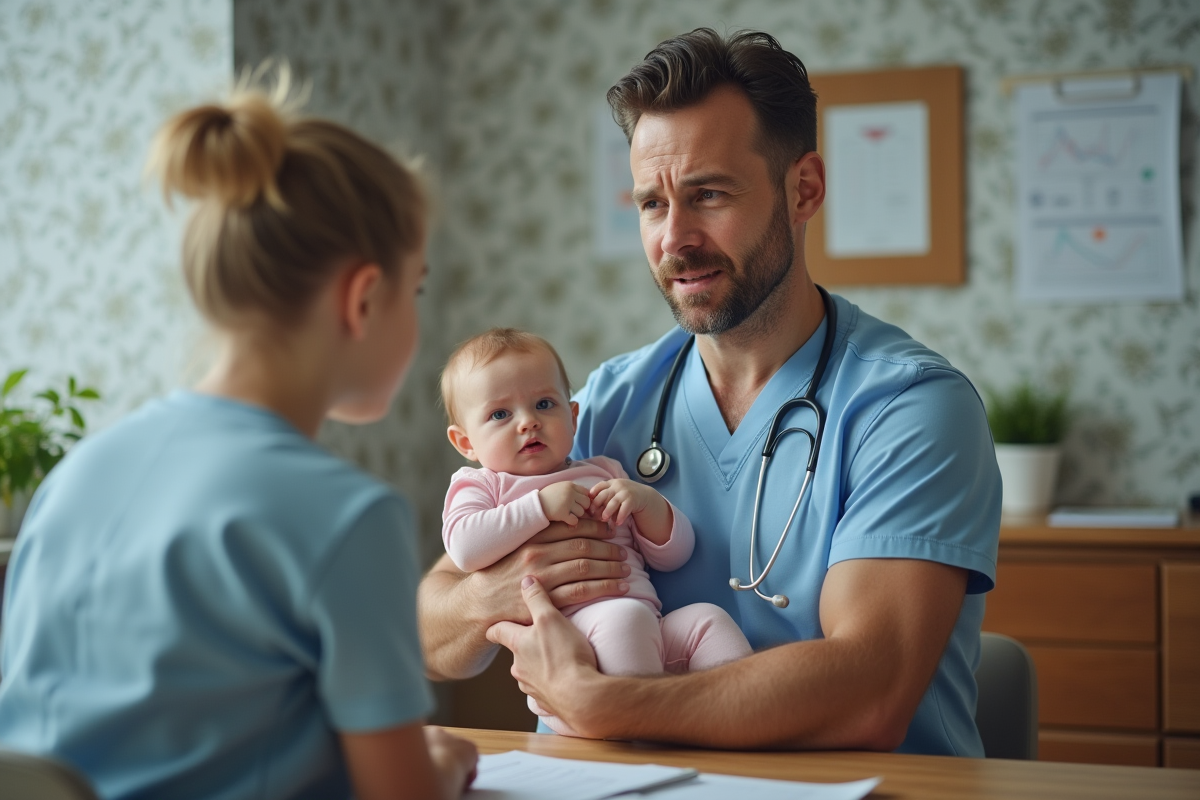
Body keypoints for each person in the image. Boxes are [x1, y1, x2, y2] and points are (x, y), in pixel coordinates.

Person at [419, 28, 1001, 756]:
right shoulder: (602, 402)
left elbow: (867, 695)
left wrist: (607, 701)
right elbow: (437, 634)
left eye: (709, 195)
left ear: (804, 189)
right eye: (652, 205)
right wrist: (497, 591)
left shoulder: (910, 410)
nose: (675, 239)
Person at [0, 73, 477, 799]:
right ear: (363, 297)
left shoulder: (76, 475)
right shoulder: (348, 517)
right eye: (415, 290)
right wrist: (440, 768)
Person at [439, 328, 752, 735]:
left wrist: (648, 505)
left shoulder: (603, 472)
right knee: (624, 618)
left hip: (649, 627)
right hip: (574, 653)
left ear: (572, 416)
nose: (528, 422)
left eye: (544, 404)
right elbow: (465, 547)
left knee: (707, 620)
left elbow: (674, 555)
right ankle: (638, 741)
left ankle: (736, 727)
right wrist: (539, 507)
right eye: (500, 414)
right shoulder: (484, 485)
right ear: (465, 442)